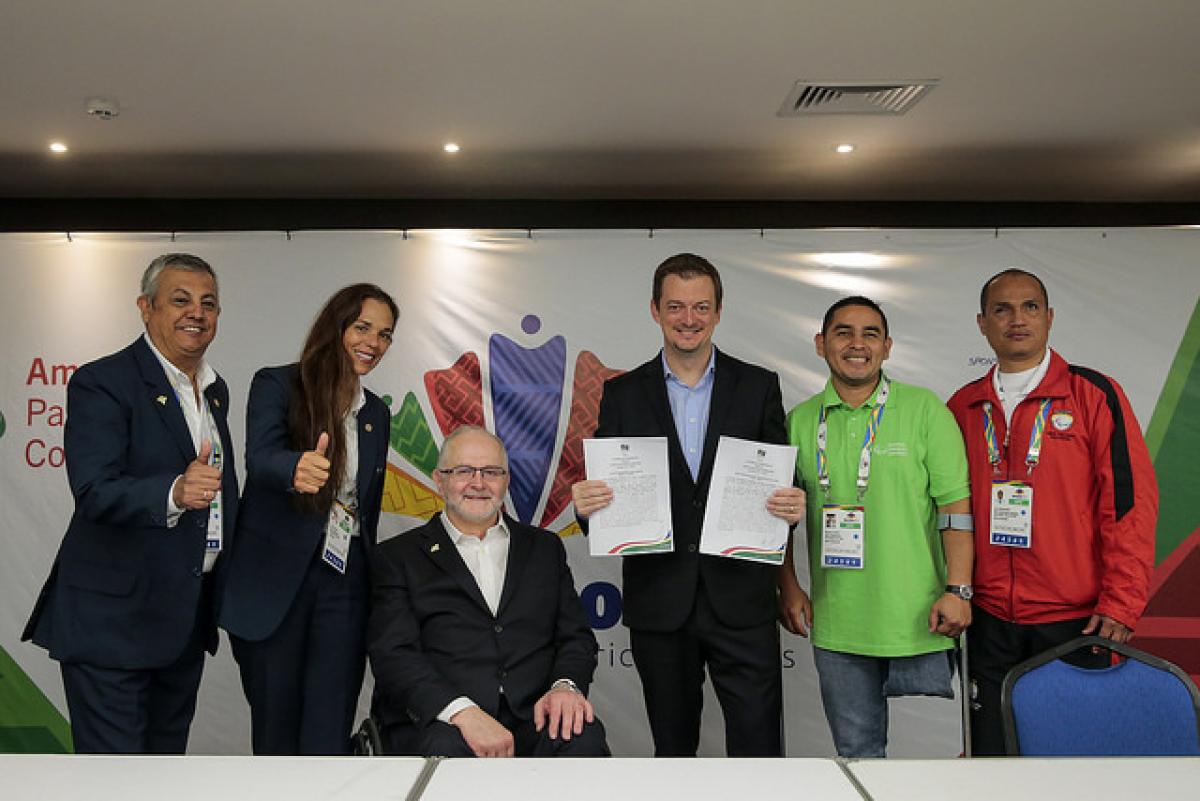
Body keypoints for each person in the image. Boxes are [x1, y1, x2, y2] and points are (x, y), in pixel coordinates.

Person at [571, 253, 804, 757]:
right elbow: (606, 487)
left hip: (742, 600)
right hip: (661, 602)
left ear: (719, 311)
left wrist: (789, 502)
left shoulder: (758, 385)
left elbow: (781, 479)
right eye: (676, 306)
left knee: (760, 751)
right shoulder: (622, 393)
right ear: (655, 310)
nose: (689, 319)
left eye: (701, 306)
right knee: (673, 752)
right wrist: (588, 508)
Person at [22, 253, 237, 753]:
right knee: (114, 783)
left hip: (181, 623)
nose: (197, 313)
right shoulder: (103, 382)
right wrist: (173, 491)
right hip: (112, 627)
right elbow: (95, 489)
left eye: (209, 303)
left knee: (162, 776)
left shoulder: (215, 390)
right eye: (180, 300)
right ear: (146, 307)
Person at [947, 268, 1158, 756]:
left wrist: (1121, 602)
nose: (1016, 319)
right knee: (991, 758)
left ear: (1050, 317)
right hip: (989, 618)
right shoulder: (962, 406)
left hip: (1075, 618)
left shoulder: (1093, 394)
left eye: (1030, 307)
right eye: (1002, 309)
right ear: (982, 323)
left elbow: (1128, 503)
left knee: (1070, 759)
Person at [782, 296, 973, 758]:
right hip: (838, 623)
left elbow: (956, 510)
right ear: (820, 343)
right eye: (843, 332)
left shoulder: (924, 409)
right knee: (858, 757)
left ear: (887, 347)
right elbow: (777, 520)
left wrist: (960, 589)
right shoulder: (801, 421)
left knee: (956, 752)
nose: (856, 344)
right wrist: (786, 587)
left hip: (923, 617)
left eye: (870, 334)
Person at [219, 284, 396, 754]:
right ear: (335, 326)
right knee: (276, 730)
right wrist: (294, 468)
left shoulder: (376, 412)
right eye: (362, 328)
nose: (373, 343)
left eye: (384, 335)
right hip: (277, 584)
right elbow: (260, 457)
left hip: (346, 579)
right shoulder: (277, 384)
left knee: (329, 725)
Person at [368, 426, 608, 757]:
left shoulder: (544, 549)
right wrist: (460, 711)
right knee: (445, 752)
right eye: (464, 471)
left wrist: (565, 686)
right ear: (439, 480)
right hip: (443, 720)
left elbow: (576, 638)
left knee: (582, 735)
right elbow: (394, 655)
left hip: (534, 715)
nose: (478, 483)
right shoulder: (397, 557)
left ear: (506, 481)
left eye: (491, 472)